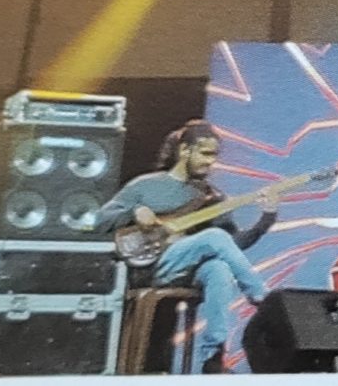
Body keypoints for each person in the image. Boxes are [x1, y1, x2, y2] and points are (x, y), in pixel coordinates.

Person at [96, 120, 277, 374]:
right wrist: (135, 211)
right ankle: (265, 303)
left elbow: (232, 246)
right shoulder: (146, 185)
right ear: (184, 151)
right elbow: (99, 220)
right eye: (205, 154)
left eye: (214, 155)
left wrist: (266, 218)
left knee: (220, 269)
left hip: (186, 269)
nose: (211, 162)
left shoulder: (213, 197)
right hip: (149, 266)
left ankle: (212, 358)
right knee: (214, 237)